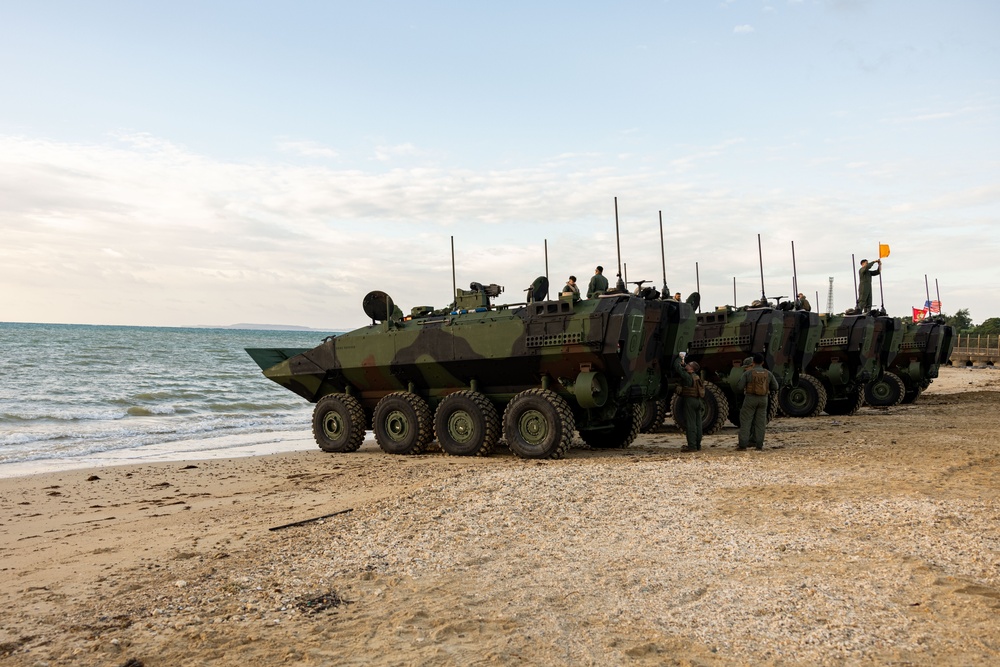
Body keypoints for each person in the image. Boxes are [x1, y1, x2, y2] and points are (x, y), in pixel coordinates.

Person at [735, 353, 779, 450]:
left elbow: (739, 387)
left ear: (753, 362)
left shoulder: (747, 373)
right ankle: (759, 445)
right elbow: (775, 386)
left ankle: (742, 445)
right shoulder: (768, 373)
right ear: (763, 362)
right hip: (764, 399)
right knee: (760, 422)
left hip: (750, 398)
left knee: (746, 421)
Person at [673, 354, 705, 451]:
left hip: (690, 401)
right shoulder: (696, 377)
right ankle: (698, 445)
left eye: (689, 365)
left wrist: (679, 358)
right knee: (698, 424)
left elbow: (677, 368)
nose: (686, 365)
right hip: (698, 401)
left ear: (691, 369)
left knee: (690, 424)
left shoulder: (687, 377)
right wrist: (684, 363)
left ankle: (692, 446)